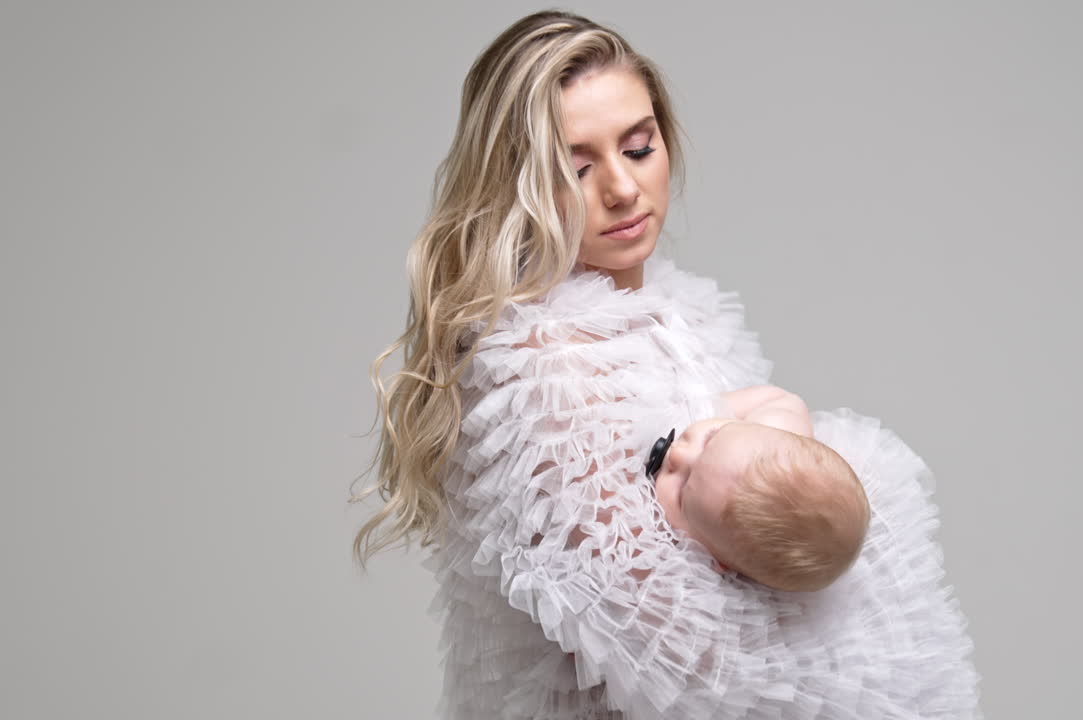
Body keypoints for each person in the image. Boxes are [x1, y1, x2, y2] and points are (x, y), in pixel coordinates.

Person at [351, 9, 983, 719]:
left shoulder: (683, 321)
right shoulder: (542, 376)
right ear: (514, 185)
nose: (621, 189)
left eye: (640, 147)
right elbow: (698, 667)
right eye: (576, 167)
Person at [647, 384, 873, 593]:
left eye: (682, 493)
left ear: (714, 561)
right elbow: (787, 399)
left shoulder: (682, 572)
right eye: (710, 439)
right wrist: (713, 406)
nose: (676, 453)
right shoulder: (775, 423)